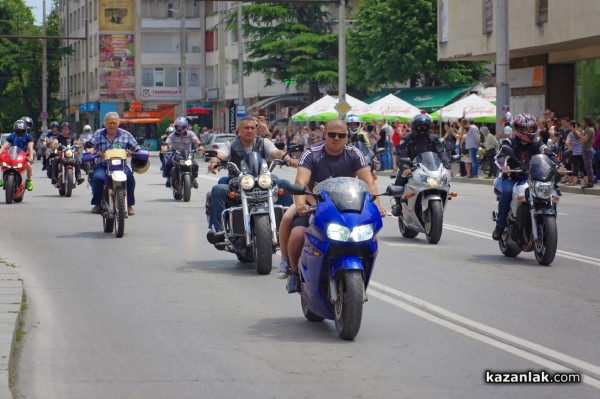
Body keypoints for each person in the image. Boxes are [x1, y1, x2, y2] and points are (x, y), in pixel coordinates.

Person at [284, 118, 386, 292]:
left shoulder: (354, 154)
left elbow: (369, 182)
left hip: (345, 205)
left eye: (341, 135)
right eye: (332, 134)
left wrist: (376, 205)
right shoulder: (311, 153)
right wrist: (302, 205)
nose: (336, 138)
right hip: (313, 203)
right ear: (325, 134)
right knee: (296, 232)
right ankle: (293, 271)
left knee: (367, 236)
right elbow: (301, 181)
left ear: (347, 136)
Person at [206, 117, 297, 244]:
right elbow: (220, 154)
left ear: (256, 130)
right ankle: (218, 229)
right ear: (239, 130)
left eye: (252, 128)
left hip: (262, 182)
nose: (249, 130)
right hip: (239, 183)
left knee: (285, 184)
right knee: (218, 189)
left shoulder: (263, 142)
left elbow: (276, 152)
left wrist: (289, 159)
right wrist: (214, 162)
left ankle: (290, 225)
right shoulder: (230, 144)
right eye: (246, 128)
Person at [492, 113, 567, 240]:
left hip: (533, 177)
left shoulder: (537, 142)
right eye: (526, 128)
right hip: (513, 177)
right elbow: (500, 156)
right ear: (518, 129)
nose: (529, 131)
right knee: (507, 192)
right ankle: (500, 225)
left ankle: (546, 221)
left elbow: (547, 153)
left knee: (552, 190)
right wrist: (503, 167)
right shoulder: (509, 142)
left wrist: (559, 165)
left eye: (531, 128)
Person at [391, 112, 450, 217]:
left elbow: (441, 152)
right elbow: (401, 155)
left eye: (424, 126)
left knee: (444, 181)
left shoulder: (433, 138)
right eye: (419, 126)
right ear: (414, 127)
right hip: (411, 167)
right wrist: (405, 167)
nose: (422, 128)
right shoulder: (407, 139)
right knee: (399, 183)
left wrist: (447, 166)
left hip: (431, 168)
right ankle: (398, 206)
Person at [87, 112, 142, 215]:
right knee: (98, 178)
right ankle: (97, 204)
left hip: (120, 166)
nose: (112, 125)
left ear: (118, 123)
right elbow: (90, 145)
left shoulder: (125, 134)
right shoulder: (98, 134)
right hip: (103, 165)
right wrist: (89, 150)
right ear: (105, 123)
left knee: (130, 179)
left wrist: (136, 151)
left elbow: (136, 146)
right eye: (109, 122)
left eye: (114, 122)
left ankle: (129, 205)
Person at [163, 116, 201, 188]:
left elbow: (196, 140)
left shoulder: (190, 134)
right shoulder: (172, 135)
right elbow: (167, 141)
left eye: (181, 127)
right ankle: (168, 179)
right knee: (168, 164)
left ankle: (193, 179)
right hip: (176, 153)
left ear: (185, 126)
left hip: (188, 154)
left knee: (195, 165)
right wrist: (165, 147)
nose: (179, 128)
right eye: (178, 127)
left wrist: (200, 146)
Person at [0, 120, 35, 190]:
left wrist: (30, 157)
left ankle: (29, 180)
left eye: (22, 131)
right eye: (18, 131)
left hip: (25, 155)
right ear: (15, 130)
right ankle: (1, 178)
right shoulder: (11, 136)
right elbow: (4, 146)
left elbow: (30, 148)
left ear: (25, 130)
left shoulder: (29, 137)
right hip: (13, 155)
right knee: (3, 163)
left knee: (28, 165)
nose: (20, 133)